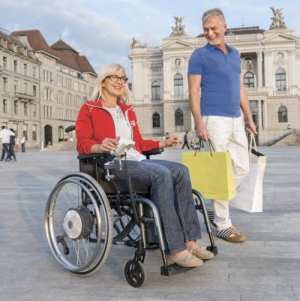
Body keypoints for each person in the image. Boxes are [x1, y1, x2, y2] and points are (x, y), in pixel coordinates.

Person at [76, 63, 214, 267]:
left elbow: (139, 143)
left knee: (181, 171)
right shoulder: (89, 109)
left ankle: (190, 240)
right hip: (110, 165)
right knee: (161, 173)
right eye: (114, 77)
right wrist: (100, 145)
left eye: (122, 79)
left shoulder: (127, 111)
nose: (119, 82)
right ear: (103, 82)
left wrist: (164, 143)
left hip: (135, 161)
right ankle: (175, 249)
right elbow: (82, 143)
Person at [188, 8, 257, 243]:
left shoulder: (234, 54)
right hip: (212, 118)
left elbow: (240, 88)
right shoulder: (199, 56)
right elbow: (194, 90)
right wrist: (199, 122)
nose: (209, 33)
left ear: (224, 27)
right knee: (220, 170)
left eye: (213, 28)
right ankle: (223, 224)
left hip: (235, 118)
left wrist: (248, 117)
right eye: (206, 29)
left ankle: (213, 202)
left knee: (243, 168)